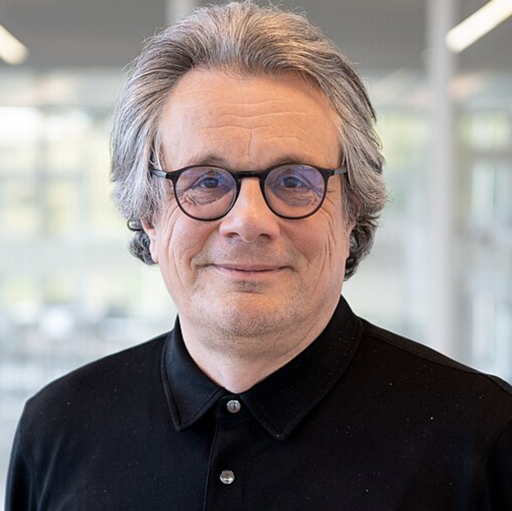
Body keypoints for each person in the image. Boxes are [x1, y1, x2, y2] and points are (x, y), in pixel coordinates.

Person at [6, 2, 512, 509]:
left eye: (293, 181)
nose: (248, 222)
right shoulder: (58, 431)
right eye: (205, 181)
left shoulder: (481, 438)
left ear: (352, 210)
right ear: (149, 215)